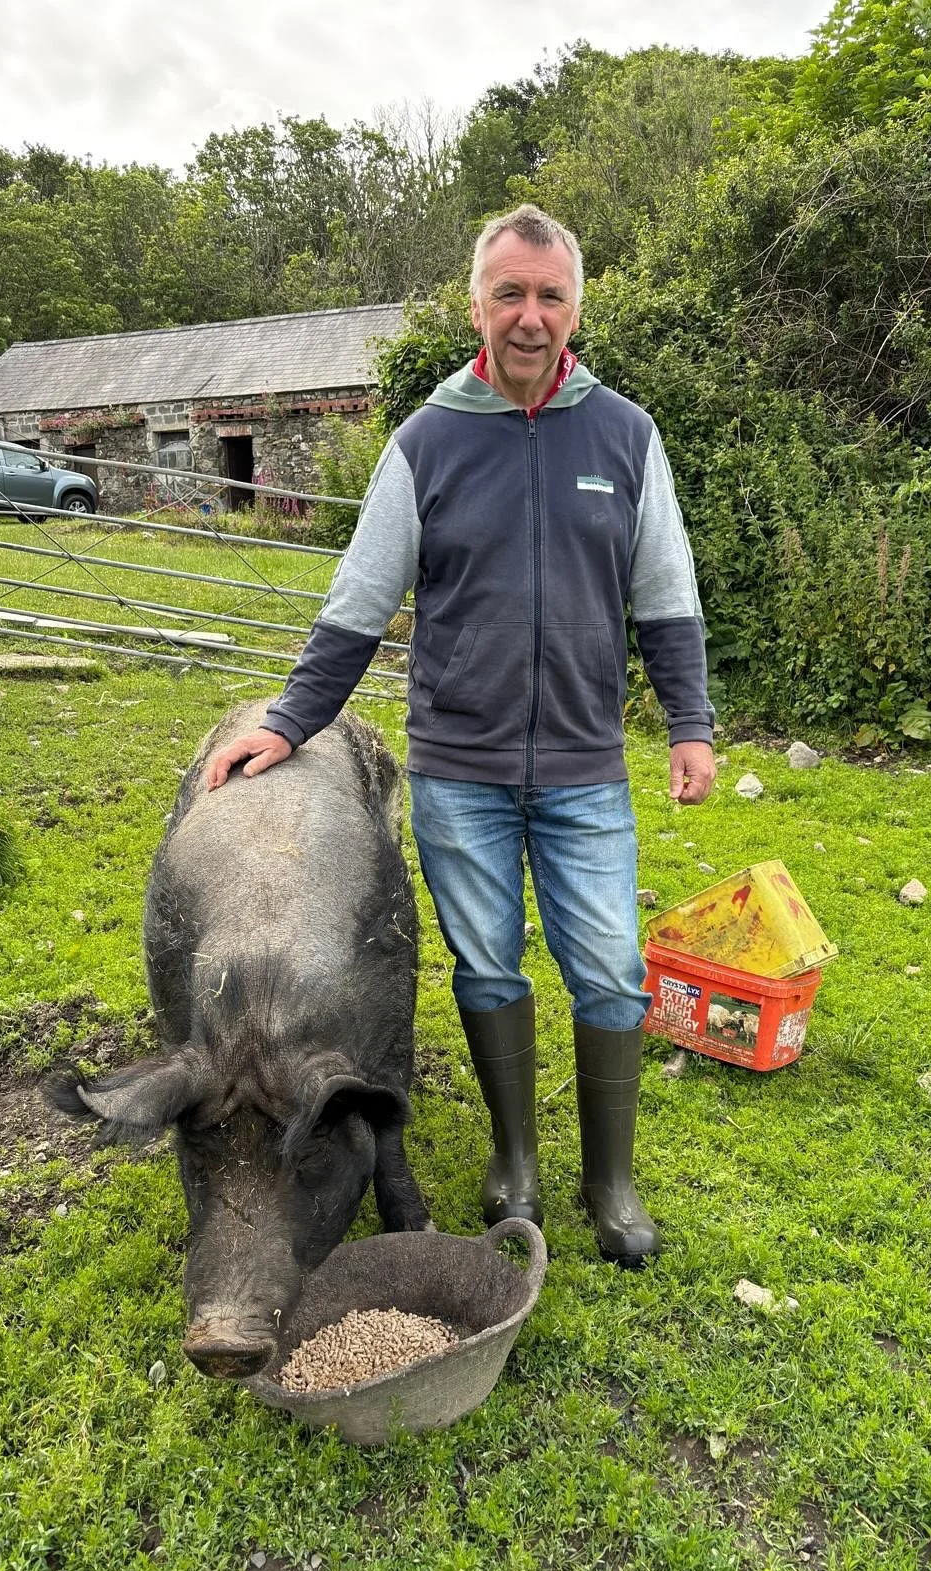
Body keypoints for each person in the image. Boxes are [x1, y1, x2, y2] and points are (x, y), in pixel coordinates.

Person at [207, 205, 715, 1268]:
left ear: (577, 305)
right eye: (509, 294)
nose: (529, 317)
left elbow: (664, 589)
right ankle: (516, 1157)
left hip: (583, 767)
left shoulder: (625, 433)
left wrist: (689, 723)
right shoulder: (427, 440)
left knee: (611, 974)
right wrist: (293, 719)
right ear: (477, 302)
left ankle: (609, 1183)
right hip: (461, 770)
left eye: (550, 295)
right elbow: (359, 597)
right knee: (487, 966)